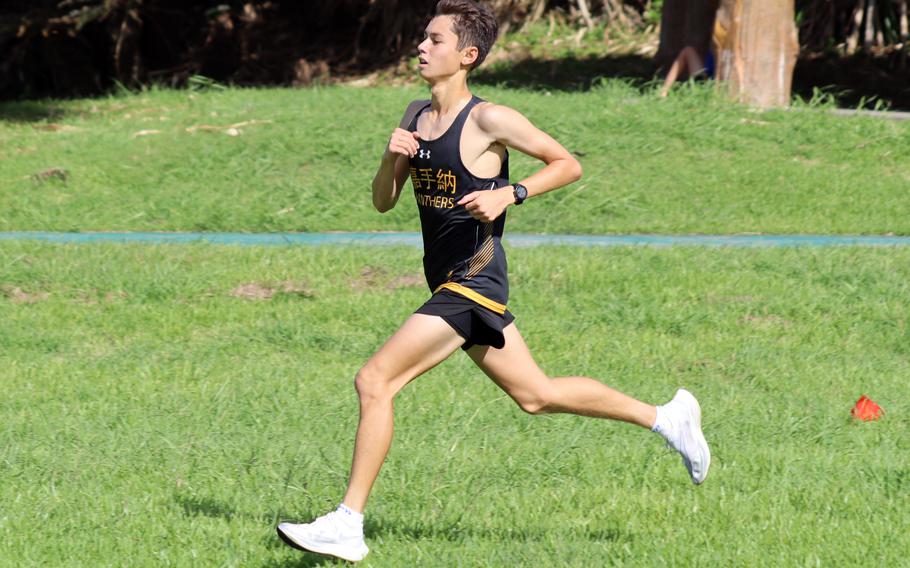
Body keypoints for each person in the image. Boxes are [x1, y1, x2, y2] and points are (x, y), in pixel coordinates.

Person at [277, 0, 710, 562]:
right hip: (448, 283)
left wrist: (512, 191)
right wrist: (391, 159)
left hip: (473, 281)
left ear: (467, 55)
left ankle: (347, 522)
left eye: (435, 40)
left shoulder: (489, 119)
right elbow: (384, 202)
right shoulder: (414, 116)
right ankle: (666, 418)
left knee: (375, 381)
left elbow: (566, 163)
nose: (421, 47)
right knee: (536, 395)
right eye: (423, 38)